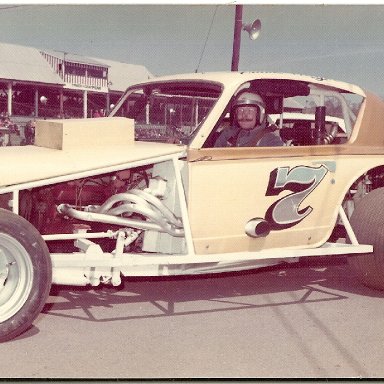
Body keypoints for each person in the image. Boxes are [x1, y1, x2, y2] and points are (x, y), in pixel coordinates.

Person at [214, 91, 284, 147]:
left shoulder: (271, 139)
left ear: (260, 114)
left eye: (250, 110)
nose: (244, 115)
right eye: (240, 110)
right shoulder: (228, 134)